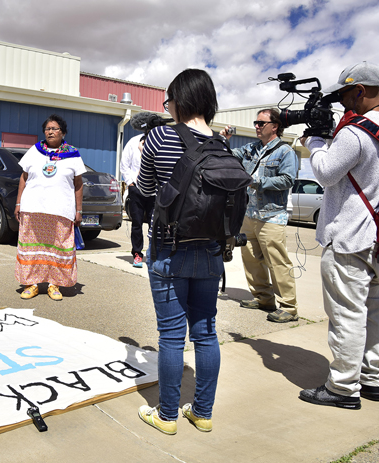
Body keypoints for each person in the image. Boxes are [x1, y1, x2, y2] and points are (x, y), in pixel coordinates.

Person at [298, 61, 379, 410]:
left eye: (345, 95)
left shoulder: (357, 132)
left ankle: (342, 387)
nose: (342, 103)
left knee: (347, 315)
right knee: (372, 310)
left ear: (361, 90)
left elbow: (325, 172)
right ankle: (371, 379)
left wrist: (315, 141)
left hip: (349, 237)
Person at [135, 69, 222, 435]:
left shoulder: (158, 137)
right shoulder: (221, 144)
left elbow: (144, 189)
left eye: (169, 100)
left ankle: (167, 415)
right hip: (212, 250)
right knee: (206, 331)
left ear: (179, 100)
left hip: (169, 248)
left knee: (171, 336)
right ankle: (202, 412)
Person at [221, 109, 299, 323]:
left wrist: (257, 182)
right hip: (249, 213)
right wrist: (223, 141)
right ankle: (263, 298)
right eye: (256, 122)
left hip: (272, 215)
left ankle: (289, 307)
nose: (256, 126)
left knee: (277, 262)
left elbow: (287, 180)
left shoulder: (285, 152)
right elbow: (230, 155)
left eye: (261, 123)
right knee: (251, 259)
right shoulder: (251, 148)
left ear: (275, 126)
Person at [14, 114, 85, 301]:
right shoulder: (34, 151)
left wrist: (78, 210)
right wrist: (18, 203)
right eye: (47, 129)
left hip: (61, 210)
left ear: (63, 132)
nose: (50, 132)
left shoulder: (73, 154)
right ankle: (32, 284)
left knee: (58, 248)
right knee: (32, 247)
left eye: (54, 129)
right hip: (33, 208)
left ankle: (55, 285)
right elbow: (24, 177)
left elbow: (78, 184)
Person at [121, 133, 154, 268]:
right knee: (137, 223)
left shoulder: (161, 141)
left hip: (154, 191)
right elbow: (124, 164)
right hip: (137, 189)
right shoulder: (133, 141)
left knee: (156, 224)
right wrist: (131, 183)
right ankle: (137, 254)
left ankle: (153, 255)